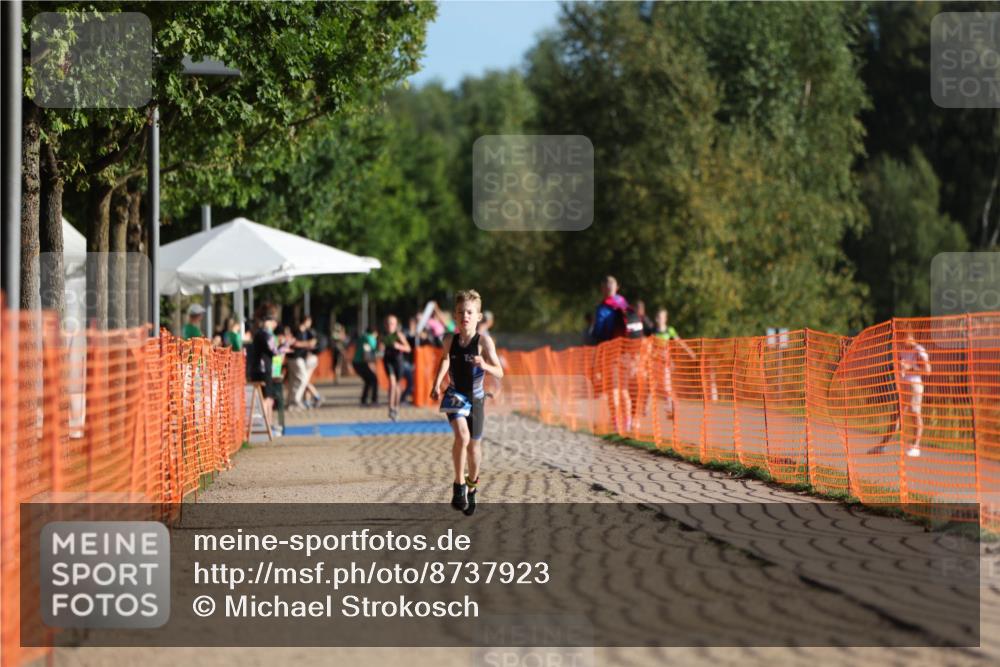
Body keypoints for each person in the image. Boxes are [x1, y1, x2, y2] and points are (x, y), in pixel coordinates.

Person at [431, 290, 504, 516]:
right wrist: (436, 383)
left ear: (478, 316)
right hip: (455, 394)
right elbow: (445, 359)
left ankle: (472, 485)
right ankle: (458, 486)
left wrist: (485, 365)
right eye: (461, 312)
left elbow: (499, 372)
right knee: (461, 436)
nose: (465, 316)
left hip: (477, 398)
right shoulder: (448, 340)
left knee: (474, 447)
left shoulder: (484, 342)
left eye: (470, 312)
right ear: (455, 315)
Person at [247, 304, 283, 437]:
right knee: (266, 399)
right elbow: (274, 352)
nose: (275, 324)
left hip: (263, 369)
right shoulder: (264, 334)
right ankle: (266, 426)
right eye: (273, 320)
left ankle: (268, 425)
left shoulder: (262, 333)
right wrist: (285, 347)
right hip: (262, 370)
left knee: (269, 398)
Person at [379, 314, 412, 421]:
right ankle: (390, 408)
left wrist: (399, 346)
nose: (390, 326)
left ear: (396, 325)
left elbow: (408, 349)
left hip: (398, 361)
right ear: (385, 325)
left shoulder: (399, 335)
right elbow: (378, 349)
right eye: (388, 323)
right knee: (392, 384)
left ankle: (396, 407)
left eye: (392, 323)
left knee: (397, 386)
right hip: (388, 361)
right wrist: (380, 348)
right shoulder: (382, 335)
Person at [286, 316, 318, 410]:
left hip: (300, 358)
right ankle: (296, 401)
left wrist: (310, 346)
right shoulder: (296, 331)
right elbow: (294, 343)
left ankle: (290, 403)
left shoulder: (306, 332)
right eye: (309, 321)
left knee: (294, 381)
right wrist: (307, 344)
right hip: (295, 358)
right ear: (306, 321)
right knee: (303, 379)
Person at [352, 326, 379, 406]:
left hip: (356, 362)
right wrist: (370, 365)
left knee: (368, 380)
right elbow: (366, 353)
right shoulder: (370, 339)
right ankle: (374, 400)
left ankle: (364, 400)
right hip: (363, 362)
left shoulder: (362, 338)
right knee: (374, 380)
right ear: (375, 333)